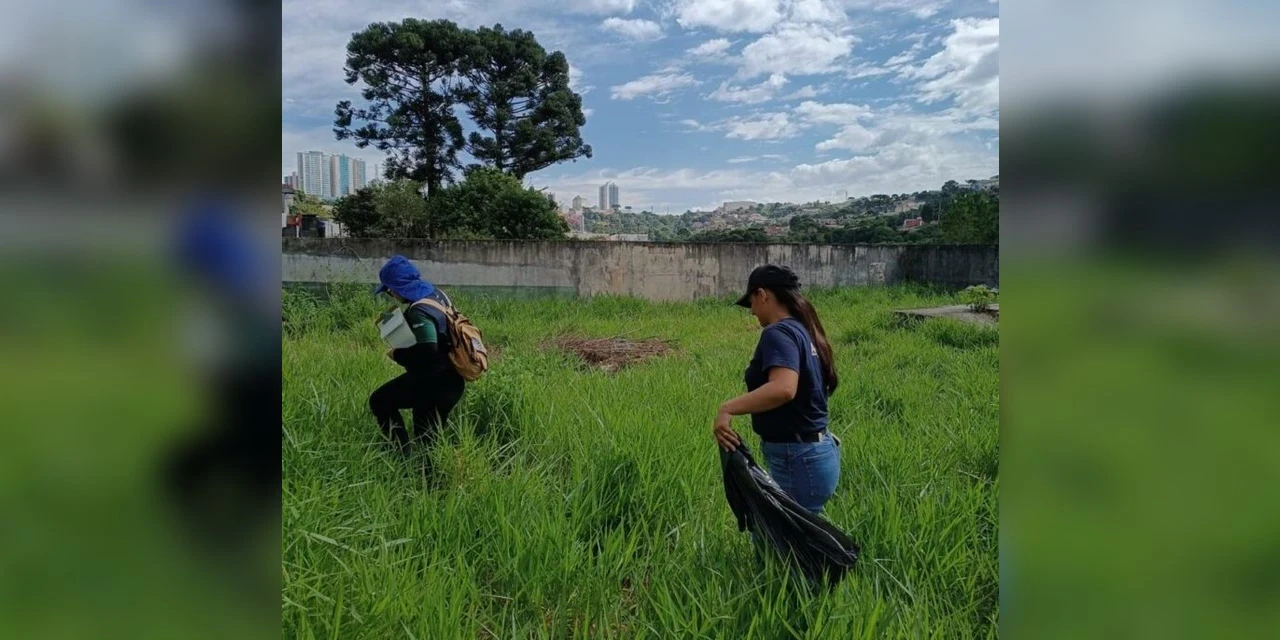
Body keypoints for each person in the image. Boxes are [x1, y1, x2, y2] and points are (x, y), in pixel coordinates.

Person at [713, 264, 841, 515]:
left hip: (798, 458)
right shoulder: (804, 330)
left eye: (750, 302)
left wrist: (727, 408)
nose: (751, 312)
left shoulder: (778, 333)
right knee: (796, 539)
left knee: (778, 544)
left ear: (763, 295)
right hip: (814, 452)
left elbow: (783, 388)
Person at [368, 255, 465, 457]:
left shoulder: (418, 310)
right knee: (428, 439)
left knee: (380, 401)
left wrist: (398, 354)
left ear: (397, 288)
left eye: (389, 290)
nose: (390, 295)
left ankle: (401, 456)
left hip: (435, 383)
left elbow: (428, 349)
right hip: (453, 379)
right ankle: (431, 477)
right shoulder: (437, 294)